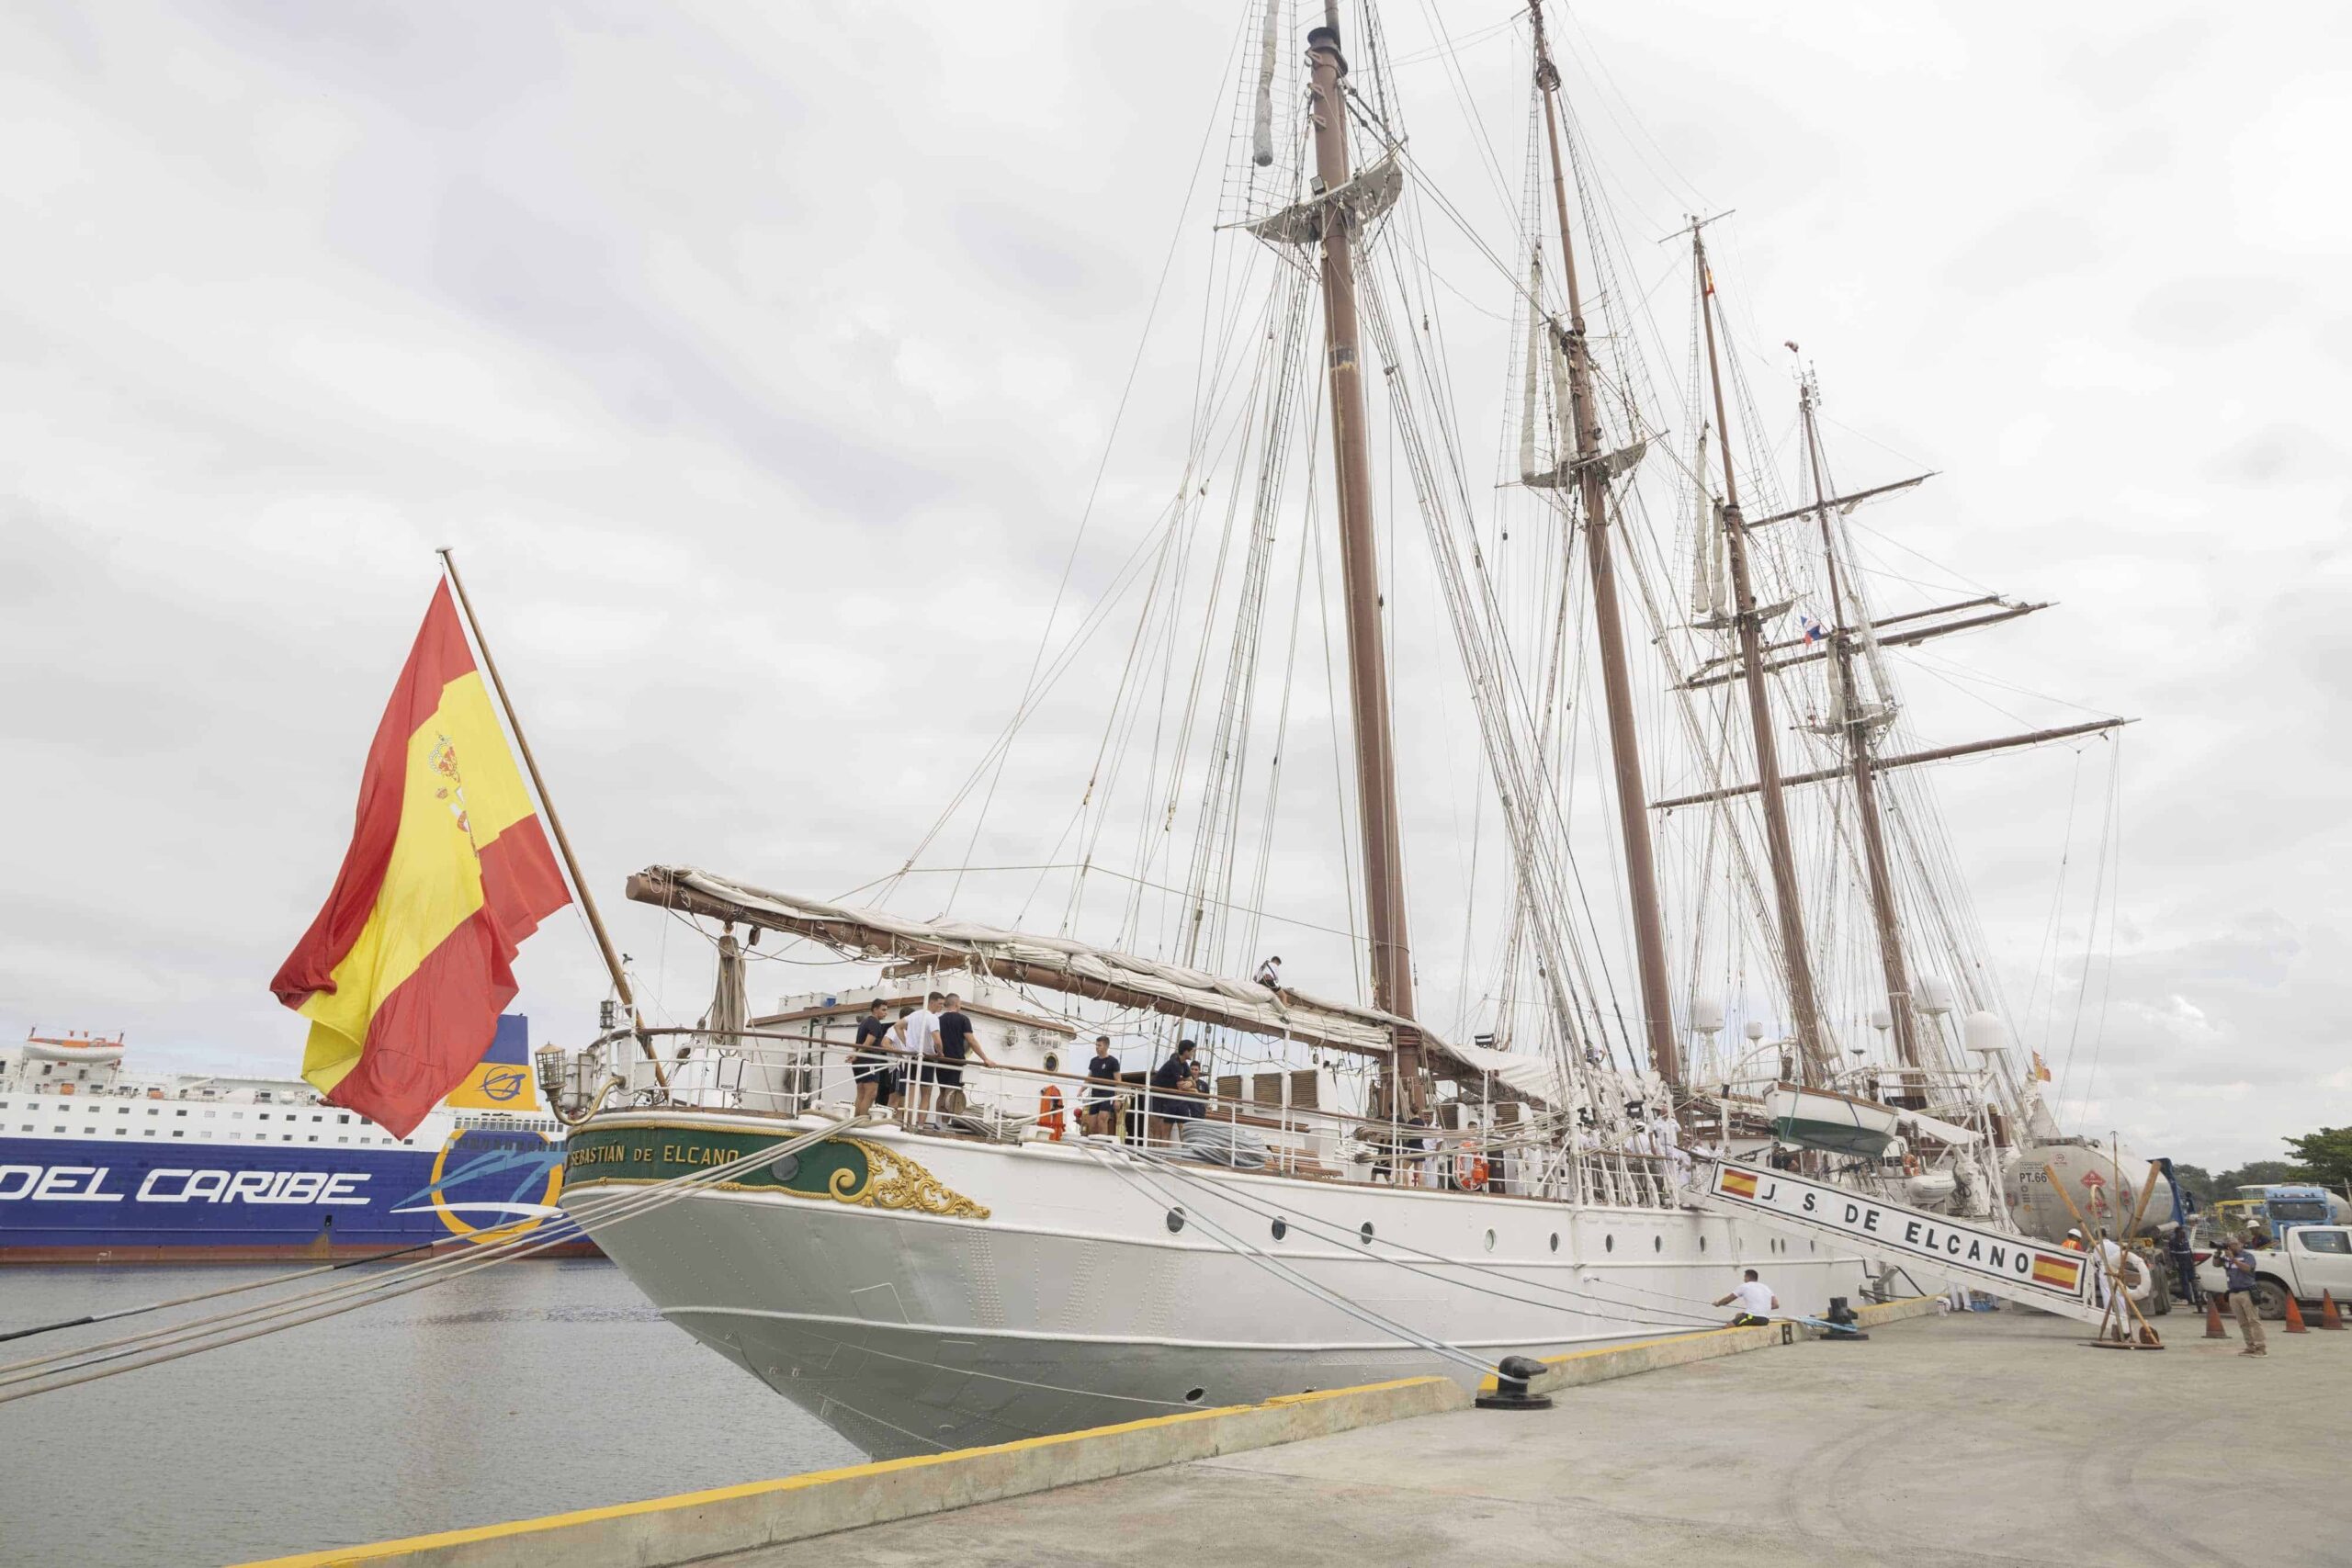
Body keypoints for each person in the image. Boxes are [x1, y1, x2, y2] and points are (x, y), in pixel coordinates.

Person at [933, 992, 991, 1121]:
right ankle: (944, 1126)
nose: (960, 1006)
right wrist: (985, 1059)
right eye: (960, 1004)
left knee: (942, 1092)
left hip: (941, 1060)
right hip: (956, 1061)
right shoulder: (963, 1019)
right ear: (956, 1004)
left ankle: (938, 1124)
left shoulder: (938, 1020)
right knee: (951, 1094)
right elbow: (971, 1041)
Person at [2217, 1239, 2267, 1357]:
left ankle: (2261, 1348)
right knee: (2242, 1322)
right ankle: (2250, 1346)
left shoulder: (2247, 1256)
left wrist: (2233, 1259)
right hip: (2233, 1292)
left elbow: (2248, 1268)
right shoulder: (2226, 1257)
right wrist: (2217, 1253)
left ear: (2240, 1245)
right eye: (2230, 1245)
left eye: (2234, 1244)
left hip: (2247, 1291)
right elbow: (2216, 1264)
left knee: (2253, 1320)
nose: (2232, 1247)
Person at [848, 998, 897, 1117]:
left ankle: (856, 1119)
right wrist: (857, 1054)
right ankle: (862, 1119)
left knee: (861, 1094)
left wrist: (855, 1054)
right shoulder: (875, 1023)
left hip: (859, 1061)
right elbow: (868, 1042)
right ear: (875, 1009)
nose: (886, 1013)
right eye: (883, 1010)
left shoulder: (864, 1022)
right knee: (871, 1093)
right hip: (868, 1060)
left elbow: (858, 1042)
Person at [1148, 1039, 1201, 1146]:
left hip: (1167, 1097)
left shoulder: (1184, 1064)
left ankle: (1161, 1153)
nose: (1193, 1053)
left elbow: (1193, 1083)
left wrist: (1190, 1084)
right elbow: (1181, 1087)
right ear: (1186, 1051)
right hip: (1156, 1095)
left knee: (1164, 1130)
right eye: (1192, 1051)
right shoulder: (1174, 1063)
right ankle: (1155, 1153)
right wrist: (1193, 1089)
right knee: (1157, 1129)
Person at [900, 990, 943, 1124]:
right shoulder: (932, 1018)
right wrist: (940, 1053)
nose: (941, 1006)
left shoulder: (914, 1015)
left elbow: (897, 1026)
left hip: (912, 1057)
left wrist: (906, 1043)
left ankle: (908, 1123)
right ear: (932, 1002)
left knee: (911, 1093)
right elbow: (937, 1041)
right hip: (926, 1058)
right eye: (940, 1004)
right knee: (925, 1095)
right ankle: (919, 1125)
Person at [1082, 1035, 1122, 1137]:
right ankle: (1095, 1144)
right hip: (1095, 1094)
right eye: (1096, 1045)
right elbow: (1089, 1078)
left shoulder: (1113, 1062)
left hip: (1107, 1095)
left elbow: (1118, 1081)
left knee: (1102, 1119)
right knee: (1092, 1124)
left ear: (1106, 1046)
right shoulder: (1093, 1061)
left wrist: (1118, 1099)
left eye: (1099, 1045)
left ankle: (1103, 1143)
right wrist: (1081, 1090)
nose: (1097, 1047)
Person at [1713, 1269, 1779, 1327]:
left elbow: (1727, 1300)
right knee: (1738, 1315)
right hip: (1765, 1320)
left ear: (1747, 1277)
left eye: (1744, 1277)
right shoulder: (1766, 1287)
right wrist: (1762, 1307)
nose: (1744, 1279)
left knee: (1727, 1327)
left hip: (1752, 1317)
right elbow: (1776, 1305)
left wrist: (1718, 1303)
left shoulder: (1744, 1286)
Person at [2164, 1224, 2203, 1309]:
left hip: (2189, 1263)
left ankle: (2197, 1298)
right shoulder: (2173, 1241)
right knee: (2185, 1282)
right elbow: (2172, 1254)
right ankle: (2189, 1299)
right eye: (2182, 1232)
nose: (2184, 1233)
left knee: (2193, 1281)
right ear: (2177, 1233)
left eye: (2184, 1232)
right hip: (2182, 1264)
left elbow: (2189, 1250)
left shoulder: (2185, 1240)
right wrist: (2175, 1264)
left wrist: (2193, 1260)